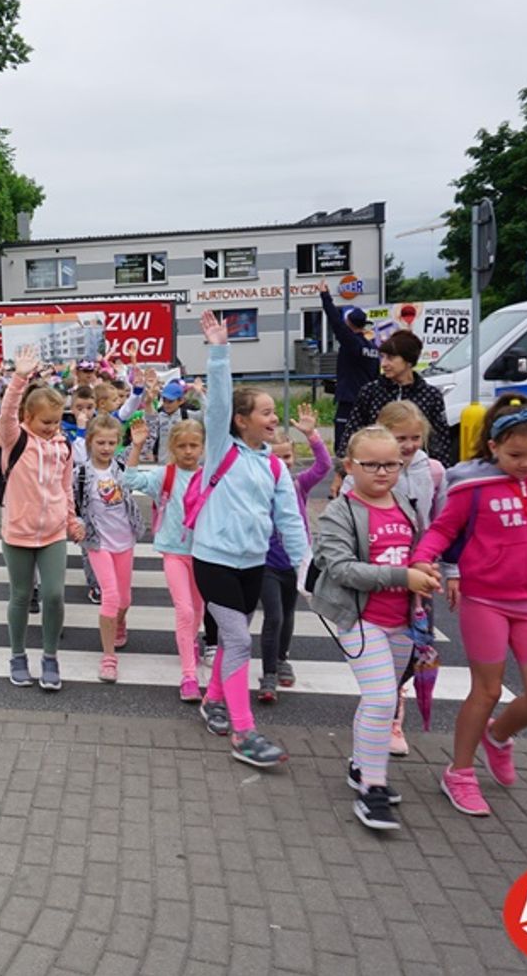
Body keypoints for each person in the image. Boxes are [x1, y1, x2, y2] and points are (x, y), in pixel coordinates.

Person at [410, 394, 527, 817]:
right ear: (494, 447)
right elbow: (442, 530)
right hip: (485, 601)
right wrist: (423, 560)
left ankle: (498, 737)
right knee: (487, 690)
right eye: (516, 455)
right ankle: (459, 773)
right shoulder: (472, 488)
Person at [192, 310, 309, 768]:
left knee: (232, 640)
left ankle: (213, 700)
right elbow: (218, 404)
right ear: (241, 421)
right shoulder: (221, 448)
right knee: (239, 640)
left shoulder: (275, 465)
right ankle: (244, 733)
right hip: (214, 560)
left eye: (273, 413)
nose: (274, 419)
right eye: (265, 412)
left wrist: (306, 568)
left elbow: (291, 521)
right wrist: (219, 353)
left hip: (252, 563)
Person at [312, 425, 442, 831]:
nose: (383, 473)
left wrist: (423, 568)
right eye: (371, 465)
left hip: (402, 621)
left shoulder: (403, 502)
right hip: (360, 619)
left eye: (392, 464)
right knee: (383, 699)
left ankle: (360, 765)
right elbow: (342, 569)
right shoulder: (339, 512)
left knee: (379, 698)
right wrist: (404, 576)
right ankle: (373, 788)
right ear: (350, 466)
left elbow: (414, 548)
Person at [0, 346, 84, 691]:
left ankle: (50, 657)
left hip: (53, 533)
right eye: (46, 422)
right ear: (28, 418)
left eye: (57, 421)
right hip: (18, 531)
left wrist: (72, 520)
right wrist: (19, 378)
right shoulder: (14, 439)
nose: (52, 427)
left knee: (54, 595)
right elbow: (6, 414)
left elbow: (66, 488)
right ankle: (17, 656)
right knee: (20, 595)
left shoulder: (63, 447)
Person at [123, 419, 207, 702]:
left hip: (203, 553)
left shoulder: (208, 476)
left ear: (202, 447)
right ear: (172, 447)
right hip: (173, 552)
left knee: (198, 609)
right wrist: (137, 447)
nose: (188, 451)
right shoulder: (165, 474)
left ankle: (190, 641)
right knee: (185, 610)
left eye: (194, 445)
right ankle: (189, 676)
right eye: (182, 446)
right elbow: (130, 481)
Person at [258, 404, 332, 702]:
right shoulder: (258, 486)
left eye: (287, 457)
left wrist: (312, 436)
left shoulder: (299, 484)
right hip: (266, 563)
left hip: (294, 563)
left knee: (288, 614)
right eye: (277, 458)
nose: (284, 463)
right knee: (273, 616)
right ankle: (268, 673)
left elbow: (324, 466)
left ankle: (281, 658)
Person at [74, 414, 146, 683]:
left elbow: (135, 471)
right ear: (90, 442)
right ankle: (108, 658)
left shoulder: (121, 466)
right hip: (98, 542)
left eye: (111, 443)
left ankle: (120, 622)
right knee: (111, 596)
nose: (106, 448)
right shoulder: (81, 474)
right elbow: (72, 504)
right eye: (100, 442)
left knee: (125, 600)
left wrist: (137, 445)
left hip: (125, 540)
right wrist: (76, 524)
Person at [338, 330, 454, 469]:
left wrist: (442, 473)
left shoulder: (431, 395)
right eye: (382, 357)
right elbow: (352, 432)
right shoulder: (370, 392)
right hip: (376, 469)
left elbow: (440, 441)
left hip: (417, 469)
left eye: (391, 358)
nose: (384, 364)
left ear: (408, 361)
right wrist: (342, 470)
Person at [318, 278, 380, 460]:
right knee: (366, 443)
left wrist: (324, 295)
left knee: (344, 445)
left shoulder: (352, 343)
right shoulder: (372, 348)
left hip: (350, 401)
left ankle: (344, 473)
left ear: (349, 323)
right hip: (368, 402)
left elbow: (334, 320)